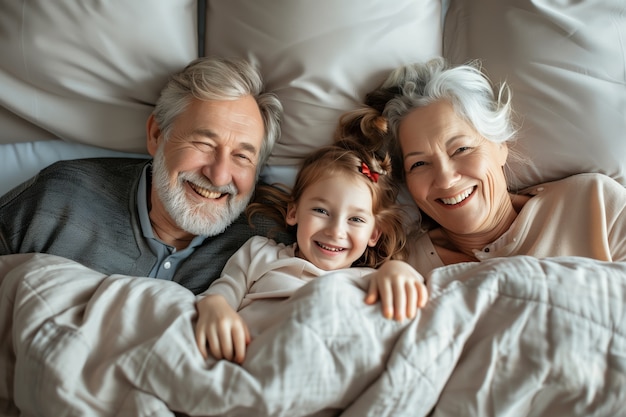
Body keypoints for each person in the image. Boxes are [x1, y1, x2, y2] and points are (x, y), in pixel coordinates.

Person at [0, 56, 286, 294]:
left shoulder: (271, 239)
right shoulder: (58, 198)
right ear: (156, 134)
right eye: (204, 144)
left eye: (242, 156)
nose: (220, 175)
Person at [338, 56, 626, 277]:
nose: (447, 179)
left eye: (461, 149)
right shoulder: (404, 266)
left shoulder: (595, 204)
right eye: (420, 163)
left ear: (501, 145)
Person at [194, 137, 429, 364]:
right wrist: (214, 305)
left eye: (356, 219)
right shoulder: (260, 252)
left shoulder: (370, 280)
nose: (336, 231)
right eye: (321, 211)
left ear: (374, 234)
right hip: (250, 356)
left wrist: (398, 270)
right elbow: (224, 291)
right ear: (294, 212)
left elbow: (407, 307)